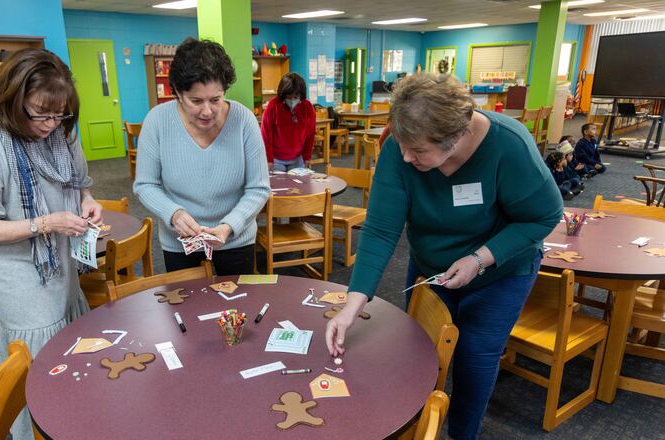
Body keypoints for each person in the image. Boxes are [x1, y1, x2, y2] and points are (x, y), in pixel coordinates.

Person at [324, 73, 562, 440]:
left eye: (417, 151)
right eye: (403, 145)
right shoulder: (400, 147)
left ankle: (462, 434)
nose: (405, 156)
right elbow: (381, 230)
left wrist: (480, 259)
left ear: (456, 137)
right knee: (419, 350)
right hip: (432, 266)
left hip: (500, 272)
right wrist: (350, 306)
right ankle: (419, 427)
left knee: (473, 360)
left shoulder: (509, 144)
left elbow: (543, 216)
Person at [0, 48, 101, 439]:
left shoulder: (59, 132)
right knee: (36, 352)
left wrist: (88, 203)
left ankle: (75, 416)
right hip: (18, 270)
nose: (51, 124)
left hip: (59, 259)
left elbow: (79, 185)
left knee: (68, 337)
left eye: (60, 114)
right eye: (40, 114)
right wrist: (46, 222)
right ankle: (38, 430)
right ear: (12, 100)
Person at [134, 38, 270, 276]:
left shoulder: (244, 121)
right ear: (177, 92)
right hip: (180, 240)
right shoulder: (157, 121)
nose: (207, 111)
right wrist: (173, 214)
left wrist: (230, 225)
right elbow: (146, 184)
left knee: (239, 308)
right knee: (185, 308)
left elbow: (258, 188)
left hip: (235, 238)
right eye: (196, 101)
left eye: (215, 99)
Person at [261, 72, 316, 172]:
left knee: (299, 186)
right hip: (276, 159)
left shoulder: (307, 107)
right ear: (283, 94)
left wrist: (307, 157)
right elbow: (266, 135)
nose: (292, 100)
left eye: (295, 97)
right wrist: (269, 159)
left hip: (297, 159)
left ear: (301, 95)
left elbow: (310, 135)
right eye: (289, 97)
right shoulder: (273, 106)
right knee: (279, 185)